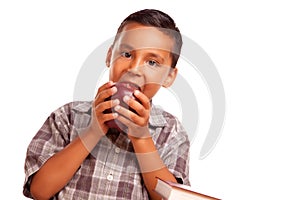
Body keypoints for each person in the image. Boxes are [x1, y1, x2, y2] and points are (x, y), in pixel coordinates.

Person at [23, 9, 190, 200]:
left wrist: (142, 138)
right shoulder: (67, 116)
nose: (134, 69)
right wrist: (93, 131)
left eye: (152, 62)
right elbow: (40, 190)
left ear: (169, 77)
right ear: (109, 55)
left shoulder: (171, 131)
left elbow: (170, 197)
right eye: (127, 54)